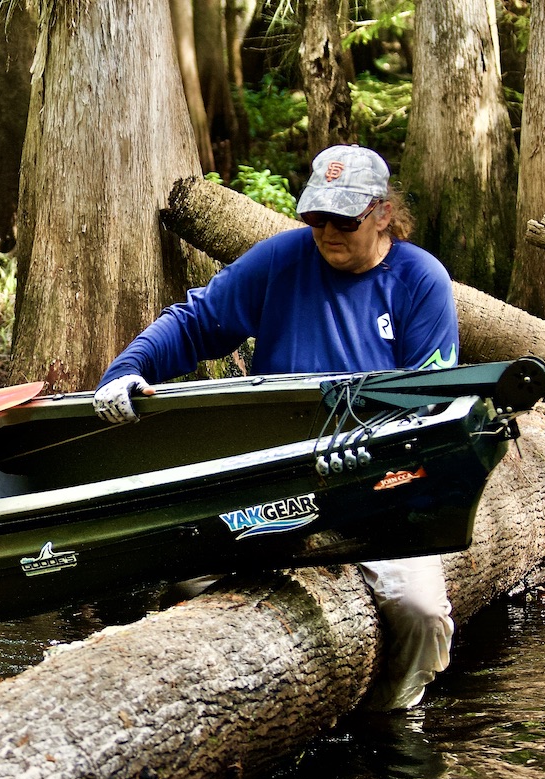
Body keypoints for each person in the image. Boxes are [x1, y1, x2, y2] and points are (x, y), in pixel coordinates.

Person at [92, 144, 458, 711]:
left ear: (383, 213)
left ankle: (389, 715)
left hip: (380, 485)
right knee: (185, 584)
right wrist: (128, 370)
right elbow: (195, 322)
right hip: (276, 478)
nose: (327, 232)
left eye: (344, 219)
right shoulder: (282, 261)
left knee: (422, 612)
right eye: (316, 217)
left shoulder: (420, 281)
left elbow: (434, 403)